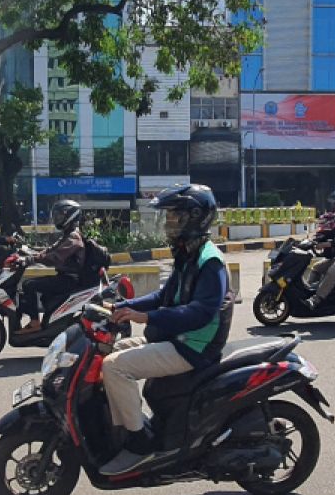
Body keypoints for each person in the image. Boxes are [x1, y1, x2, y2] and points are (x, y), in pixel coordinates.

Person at [99, 184, 234, 476]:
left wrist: (145, 318)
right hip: (178, 338)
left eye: (175, 216)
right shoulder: (188, 254)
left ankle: (139, 443)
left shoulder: (209, 261)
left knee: (115, 367)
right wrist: (122, 306)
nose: (169, 222)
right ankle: (122, 426)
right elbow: (163, 297)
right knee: (106, 353)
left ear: (195, 217)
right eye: (169, 217)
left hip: (194, 346)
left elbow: (200, 313)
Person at [15, 200, 86, 335]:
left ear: (69, 216)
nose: (57, 219)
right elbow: (50, 250)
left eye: (60, 216)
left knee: (29, 285)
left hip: (69, 280)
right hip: (66, 278)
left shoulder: (73, 237)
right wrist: (31, 251)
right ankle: (50, 325)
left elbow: (55, 256)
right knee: (45, 297)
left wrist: (31, 259)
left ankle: (35, 322)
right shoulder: (69, 234)